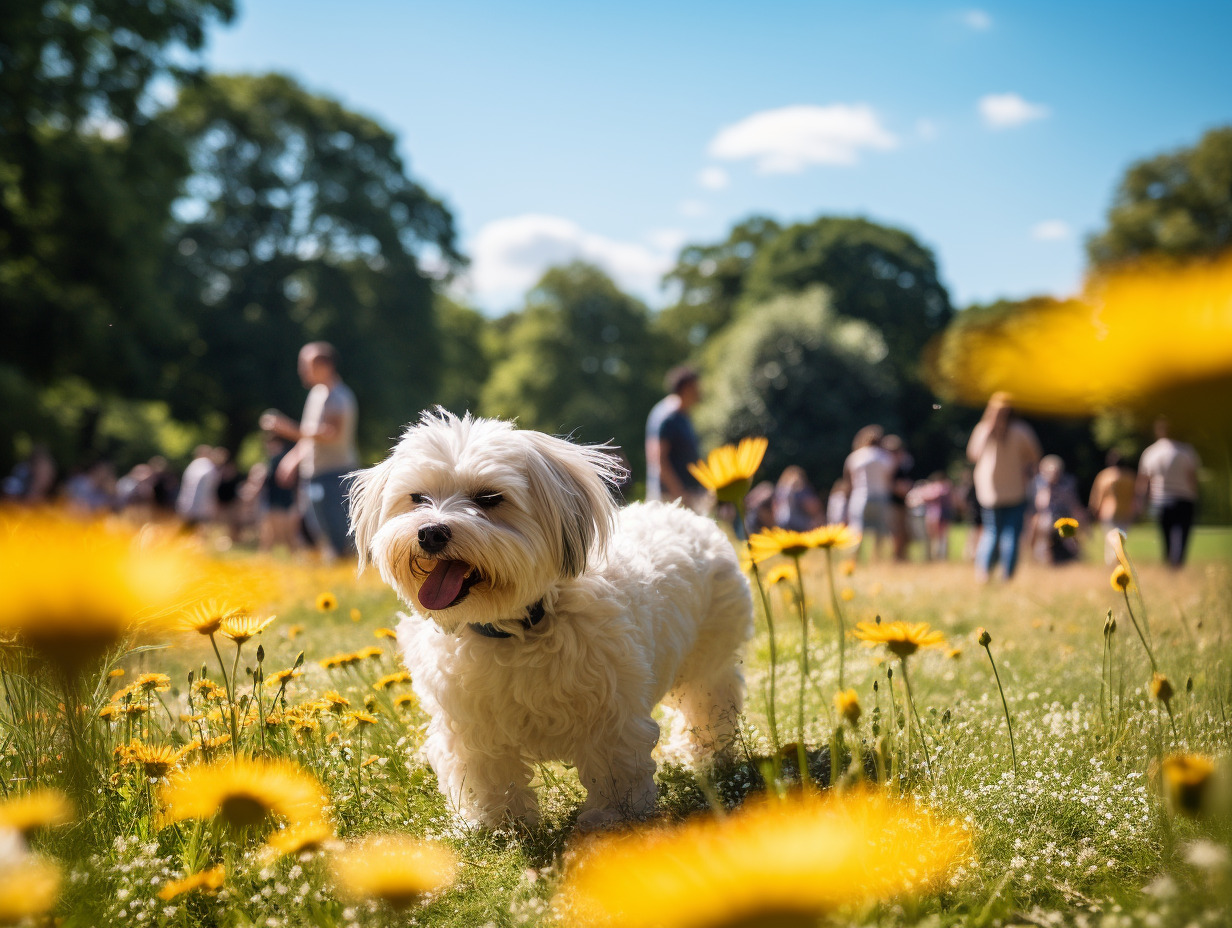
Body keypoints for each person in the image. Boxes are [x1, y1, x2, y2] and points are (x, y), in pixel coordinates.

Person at [262, 342, 359, 560]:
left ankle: (345, 575)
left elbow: (331, 433)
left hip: (335, 475)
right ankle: (335, 571)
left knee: (338, 531)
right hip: (315, 475)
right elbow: (310, 437)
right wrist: (293, 458)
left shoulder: (339, 396)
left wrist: (288, 429)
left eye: (305, 365)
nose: (301, 370)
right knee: (320, 530)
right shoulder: (317, 394)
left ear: (325, 366)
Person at [966, 393, 1041, 582]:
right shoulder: (1022, 430)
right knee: (1011, 535)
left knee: (991, 532)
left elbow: (972, 455)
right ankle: (1006, 577)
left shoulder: (983, 429)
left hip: (989, 492)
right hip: (1016, 490)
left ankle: (983, 573)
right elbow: (1035, 455)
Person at [1138, 417, 1201, 568]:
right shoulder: (1186, 451)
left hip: (1161, 501)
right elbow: (1192, 478)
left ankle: (1168, 566)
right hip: (1184, 500)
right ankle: (1178, 566)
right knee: (1182, 539)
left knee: (1165, 539)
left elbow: (1144, 482)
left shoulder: (1151, 452)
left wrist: (1141, 502)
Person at [645, 366, 706, 512]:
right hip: (670, 499)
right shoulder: (668, 417)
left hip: (684, 496)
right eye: (696, 386)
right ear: (686, 388)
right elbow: (659, 460)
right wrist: (680, 494)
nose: (700, 391)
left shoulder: (683, 415)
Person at [843, 425, 893, 558]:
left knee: (857, 529)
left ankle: (854, 557)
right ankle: (876, 558)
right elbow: (888, 479)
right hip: (881, 496)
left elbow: (850, 481)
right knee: (880, 530)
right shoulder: (885, 457)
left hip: (860, 496)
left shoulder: (855, 456)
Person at [1028, 455, 1083, 564]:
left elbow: (1073, 503)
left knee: (1070, 532)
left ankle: (1075, 556)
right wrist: (1048, 488)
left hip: (1064, 516)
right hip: (1046, 516)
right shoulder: (1039, 483)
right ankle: (1041, 557)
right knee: (1043, 525)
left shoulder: (1067, 483)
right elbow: (1041, 505)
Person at [1089, 450, 1138, 564]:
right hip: (1127, 511)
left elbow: (1098, 495)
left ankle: (1112, 561)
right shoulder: (1130, 476)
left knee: (1110, 538)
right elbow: (1135, 495)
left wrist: (1094, 509)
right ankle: (1119, 559)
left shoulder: (1105, 476)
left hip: (1108, 511)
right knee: (1121, 538)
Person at [176, 445, 220, 528]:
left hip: (186, 503)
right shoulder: (208, 466)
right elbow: (210, 489)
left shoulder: (193, 465)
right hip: (202, 505)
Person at [772, 466, 823, 531]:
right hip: (798, 526)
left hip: (781, 522)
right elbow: (812, 507)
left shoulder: (780, 489)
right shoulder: (798, 488)